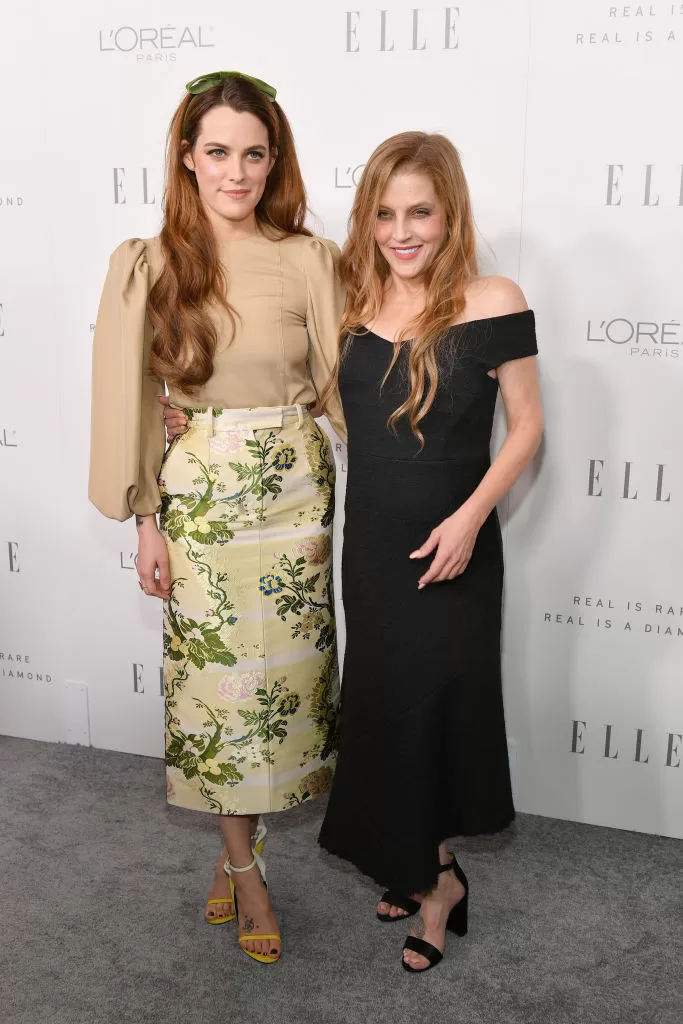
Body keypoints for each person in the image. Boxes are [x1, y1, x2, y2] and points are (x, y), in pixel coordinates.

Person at [163, 129, 544, 973]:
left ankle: (438, 887)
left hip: (454, 546)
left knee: (437, 709)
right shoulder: (349, 301)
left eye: (420, 213)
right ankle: (419, 865)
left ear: (450, 215)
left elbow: (527, 427)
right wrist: (189, 405)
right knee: (385, 710)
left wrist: (470, 519)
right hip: (370, 544)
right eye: (384, 214)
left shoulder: (491, 299)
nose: (401, 232)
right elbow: (265, 359)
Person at [89, 70, 346, 964]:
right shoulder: (149, 262)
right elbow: (130, 399)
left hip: (296, 497)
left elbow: (342, 386)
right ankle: (246, 872)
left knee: (285, 692)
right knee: (216, 693)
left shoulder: (311, 258)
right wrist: (145, 520)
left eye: (254, 154)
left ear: (274, 161)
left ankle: (240, 848)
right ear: (187, 158)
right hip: (199, 501)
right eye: (218, 152)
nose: (236, 172)